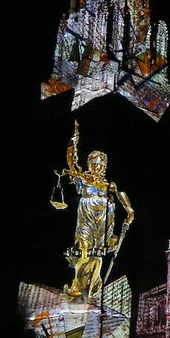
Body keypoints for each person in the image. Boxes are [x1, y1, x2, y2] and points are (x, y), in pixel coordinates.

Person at [61, 121, 133, 300]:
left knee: (97, 256)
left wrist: (129, 210)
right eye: (94, 163)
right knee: (83, 249)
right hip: (86, 219)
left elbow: (121, 195)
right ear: (89, 164)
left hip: (103, 221)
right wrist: (72, 144)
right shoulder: (82, 179)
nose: (98, 167)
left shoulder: (108, 185)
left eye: (101, 164)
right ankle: (76, 282)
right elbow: (71, 164)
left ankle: (93, 284)